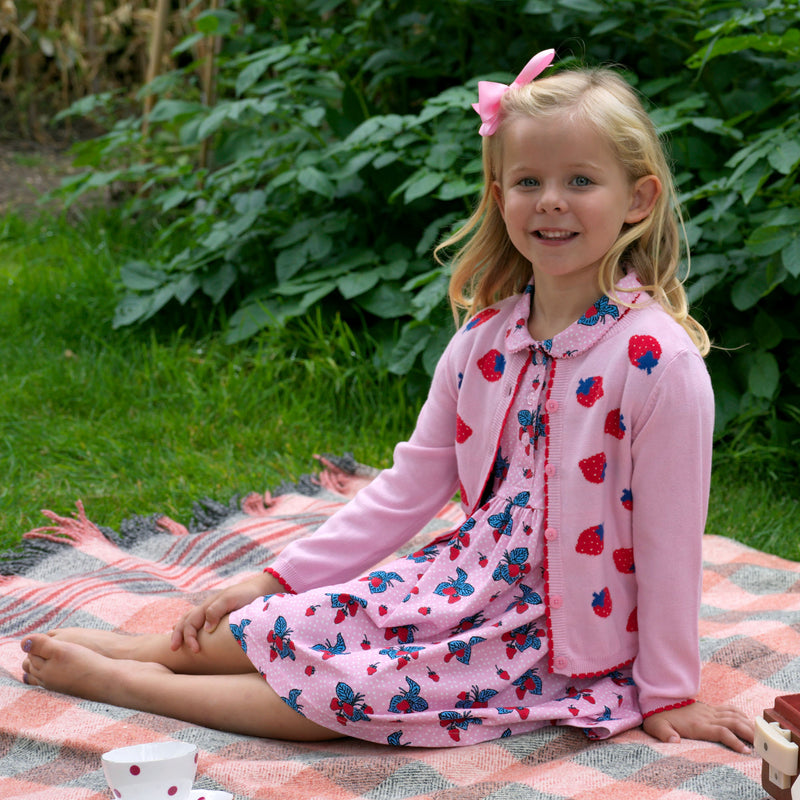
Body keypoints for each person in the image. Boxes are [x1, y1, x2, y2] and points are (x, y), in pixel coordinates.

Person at [20, 49, 754, 752]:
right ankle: (158, 651)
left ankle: (135, 685)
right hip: (461, 581)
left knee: (369, 691)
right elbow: (407, 488)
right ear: (500, 198)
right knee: (316, 618)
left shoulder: (658, 362)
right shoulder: (484, 342)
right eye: (528, 181)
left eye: (582, 181)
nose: (551, 202)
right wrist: (272, 578)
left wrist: (667, 692)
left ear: (639, 199)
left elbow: (669, 537)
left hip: (558, 632)